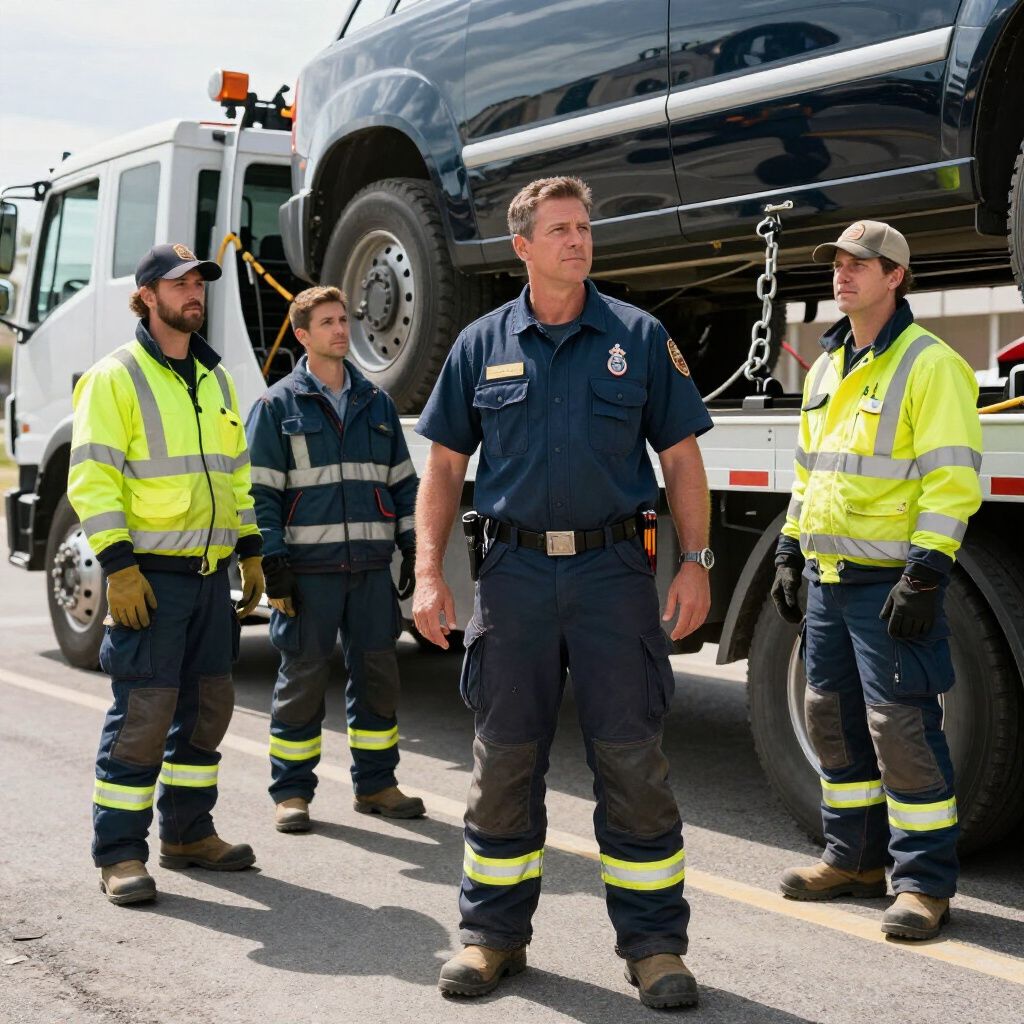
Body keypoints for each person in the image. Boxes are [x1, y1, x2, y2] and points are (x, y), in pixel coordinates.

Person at [413, 177, 715, 1008]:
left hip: (613, 575)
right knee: (504, 759)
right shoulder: (480, 343)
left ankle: (655, 947)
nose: (578, 240)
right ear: (523, 246)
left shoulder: (639, 337)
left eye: (584, 227)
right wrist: (430, 573)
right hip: (511, 578)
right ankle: (490, 937)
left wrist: (697, 560)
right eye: (559, 229)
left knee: (632, 761)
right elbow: (443, 467)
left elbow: (682, 458)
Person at [772, 220, 982, 940]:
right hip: (831, 580)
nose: (843, 273)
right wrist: (790, 550)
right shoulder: (828, 365)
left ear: (896, 276)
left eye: (862, 264)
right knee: (829, 716)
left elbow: (951, 482)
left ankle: (923, 884)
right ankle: (854, 859)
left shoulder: (930, 364)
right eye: (837, 262)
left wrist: (926, 574)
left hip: (890, 581)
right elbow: (810, 472)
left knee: (902, 728)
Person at [69, 243, 265, 905]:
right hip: (150, 578)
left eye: (200, 284)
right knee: (144, 715)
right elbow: (92, 481)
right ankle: (120, 854)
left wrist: (251, 547)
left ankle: (187, 834)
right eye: (180, 284)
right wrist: (119, 569)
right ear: (147, 295)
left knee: (208, 709)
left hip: (210, 578)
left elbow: (235, 475)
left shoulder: (216, 379)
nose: (195, 294)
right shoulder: (115, 377)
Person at [245, 286, 422, 834]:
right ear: (302, 335)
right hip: (309, 574)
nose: (341, 330)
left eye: (344, 320)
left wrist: (414, 543)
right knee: (301, 681)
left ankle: (376, 784)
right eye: (327, 322)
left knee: (378, 678)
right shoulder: (277, 406)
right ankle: (291, 793)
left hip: (369, 570)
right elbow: (260, 495)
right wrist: (272, 563)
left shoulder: (378, 404)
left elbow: (403, 484)